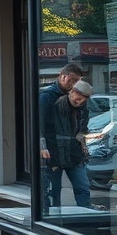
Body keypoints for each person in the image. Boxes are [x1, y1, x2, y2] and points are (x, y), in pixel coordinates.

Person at [39, 63, 87, 208]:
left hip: (73, 151)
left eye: (76, 81)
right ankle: (55, 224)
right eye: (71, 80)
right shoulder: (47, 96)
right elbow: (38, 123)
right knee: (54, 192)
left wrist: (82, 141)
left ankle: (85, 219)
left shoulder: (78, 98)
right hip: (53, 151)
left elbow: (82, 123)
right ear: (62, 76)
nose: (73, 84)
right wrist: (42, 146)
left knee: (83, 188)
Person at [49, 79, 93, 207]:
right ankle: (55, 220)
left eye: (83, 100)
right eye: (78, 99)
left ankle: (85, 215)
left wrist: (82, 137)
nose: (79, 102)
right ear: (71, 92)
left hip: (74, 154)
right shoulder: (58, 105)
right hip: (57, 154)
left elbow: (83, 129)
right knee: (54, 190)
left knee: (83, 187)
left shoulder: (84, 109)